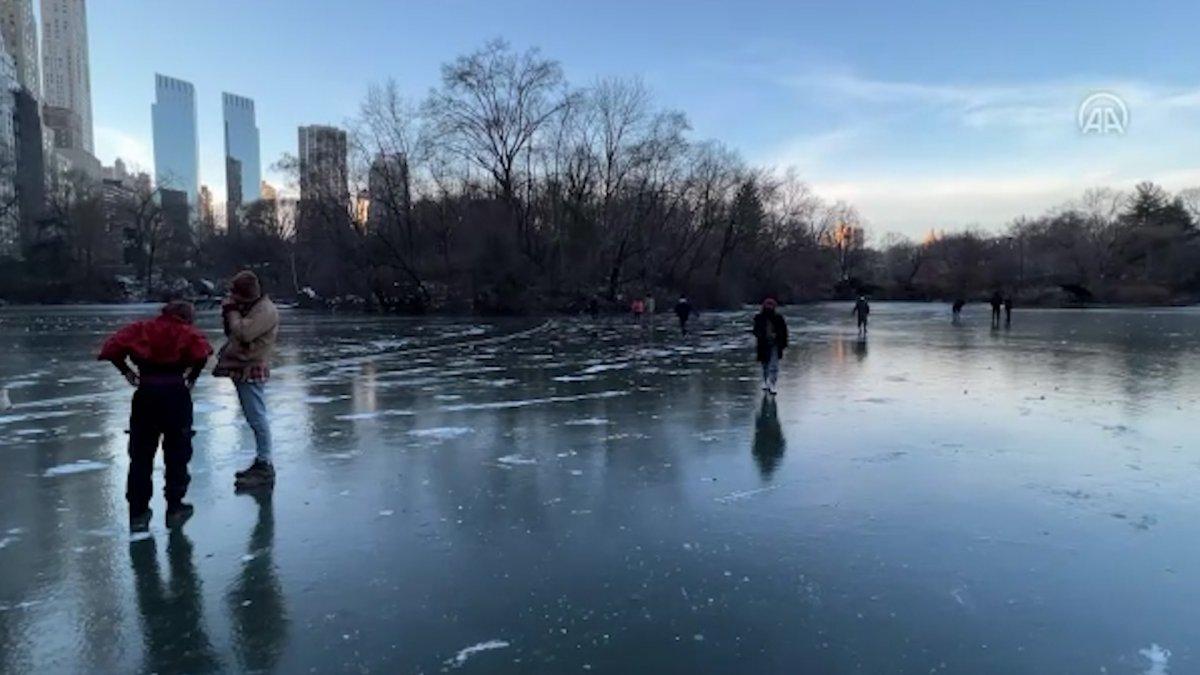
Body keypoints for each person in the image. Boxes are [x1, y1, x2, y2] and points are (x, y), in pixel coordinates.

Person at [98, 300, 212, 531]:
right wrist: (193, 376)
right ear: (187, 317)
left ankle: (138, 510)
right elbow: (202, 354)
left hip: (146, 394)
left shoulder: (141, 329)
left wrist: (127, 371)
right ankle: (175, 506)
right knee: (177, 452)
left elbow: (110, 350)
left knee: (140, 454)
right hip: (175, 395)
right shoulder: (187, 333)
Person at [214, 271, 280, 490]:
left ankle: (265, 463)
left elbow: (244, 333)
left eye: (235, 294)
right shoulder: (253, 307)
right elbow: (231, 332)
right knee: (254, 416)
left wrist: (232, 311)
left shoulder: (265, 310)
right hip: (242, 364)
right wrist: (230, 312)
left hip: (251, 365)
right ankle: (262, 462)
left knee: (257, 416)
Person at [752, 298, 788, 395]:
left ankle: (772, 384)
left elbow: (784, 332)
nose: (769, 307)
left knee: (774, 366)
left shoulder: (779, 318)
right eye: (768, 305)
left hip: (775, 344)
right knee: (765, 365)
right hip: (763, 345)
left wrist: (783, 343)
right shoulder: (759, 318)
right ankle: (765, 381)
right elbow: (755, 331)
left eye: (771, 305)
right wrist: (762, 335)